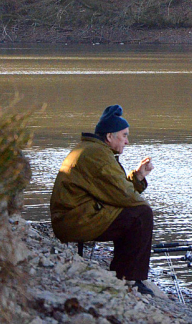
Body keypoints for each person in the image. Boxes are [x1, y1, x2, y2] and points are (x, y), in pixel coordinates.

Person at [50, 104, 155, 295]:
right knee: (141, 214)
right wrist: (144, 204)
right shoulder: (98, 156)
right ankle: (129, 279)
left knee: (132, 213)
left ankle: (122, 275)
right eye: (124, 135)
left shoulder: (94, 150)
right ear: (109, 137)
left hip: (73, 217)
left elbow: (115, 189)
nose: (127, 141)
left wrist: (138, 178)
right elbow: (123, 194)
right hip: (74, 221)